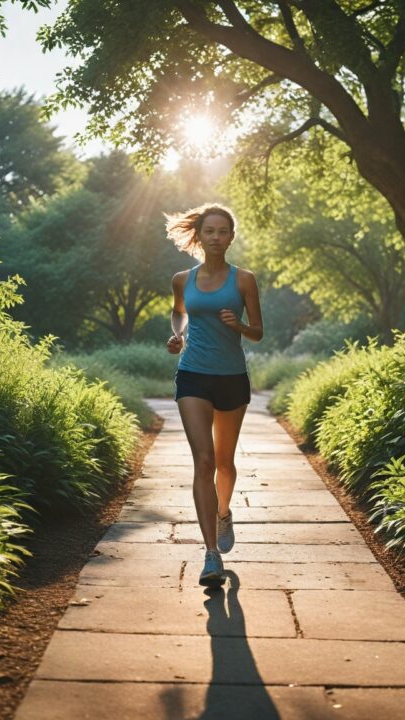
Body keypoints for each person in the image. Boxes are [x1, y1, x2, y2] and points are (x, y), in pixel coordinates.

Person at [164, 203, 263, 589]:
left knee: (224, 462)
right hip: (192, 376)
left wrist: (238, 324)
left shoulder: (244, 280)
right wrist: (178, 335)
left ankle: (224, 511)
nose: (216, 237)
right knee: (203, 460)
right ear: (199, 236)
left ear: (231, 237)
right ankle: (210, 554)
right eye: (210, 231)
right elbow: (178, 313)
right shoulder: (181, 279)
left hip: (232, 378)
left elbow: (258, 331)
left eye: (223, 231)